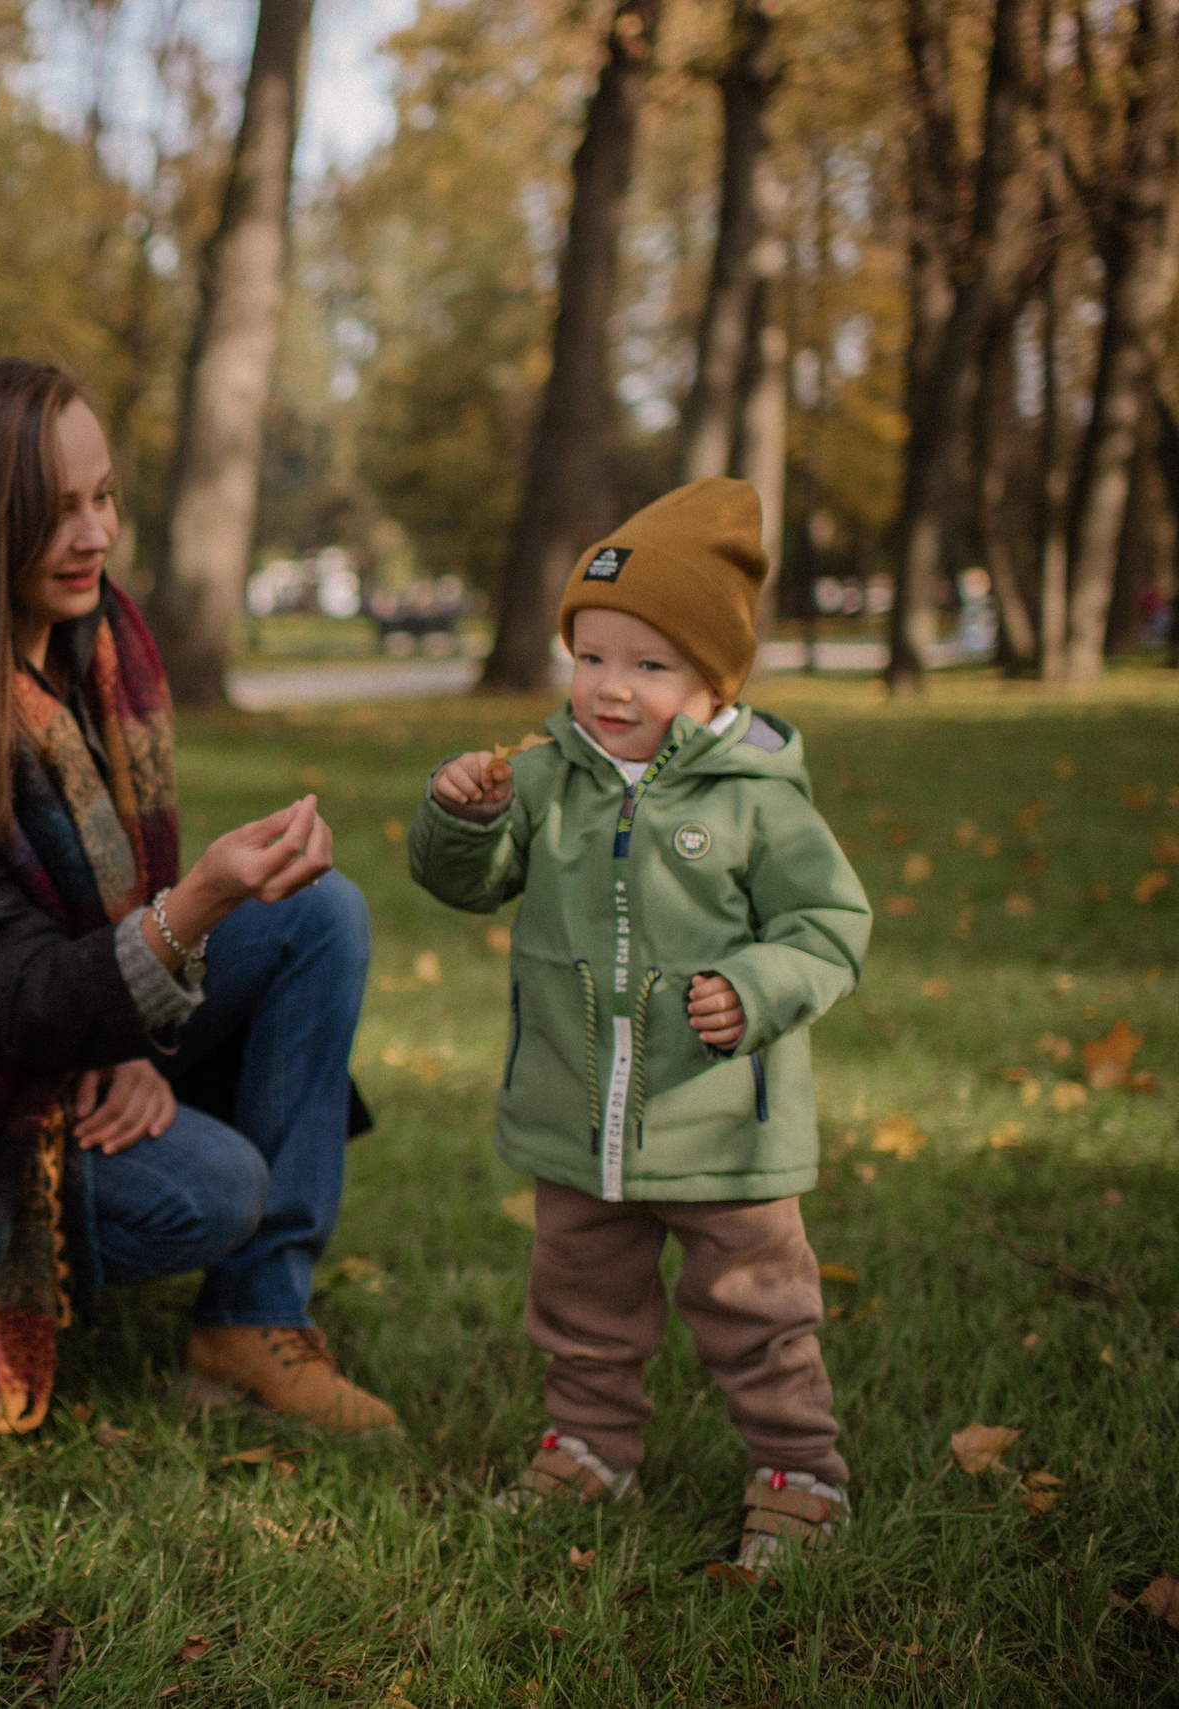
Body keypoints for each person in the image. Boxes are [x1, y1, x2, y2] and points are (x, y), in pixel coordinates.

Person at [0, 357, 393, 1441]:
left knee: (319, 913)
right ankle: (51, 1263)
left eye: (102, 495)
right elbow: (10, 991)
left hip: (66, 1022)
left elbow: (91, 916)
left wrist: (135, 1026)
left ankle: (255, 1319)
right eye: (53, 509)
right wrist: (185, 915)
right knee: (213, 1184)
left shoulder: (98, 645)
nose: (95, 532)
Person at [408, 477, 872, 1572]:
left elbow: (829, 927)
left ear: (711, 680)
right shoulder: (545, 778)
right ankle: (590, 1447)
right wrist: (461, 819)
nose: (611, 686)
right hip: (576, 1117)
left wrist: (754, 988)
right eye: (593, 655)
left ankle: (799, 1470)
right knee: (582, 1303)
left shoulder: (758, 796)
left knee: (756, 1310)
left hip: (721, 1130)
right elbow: (466, 884)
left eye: (649, 664)